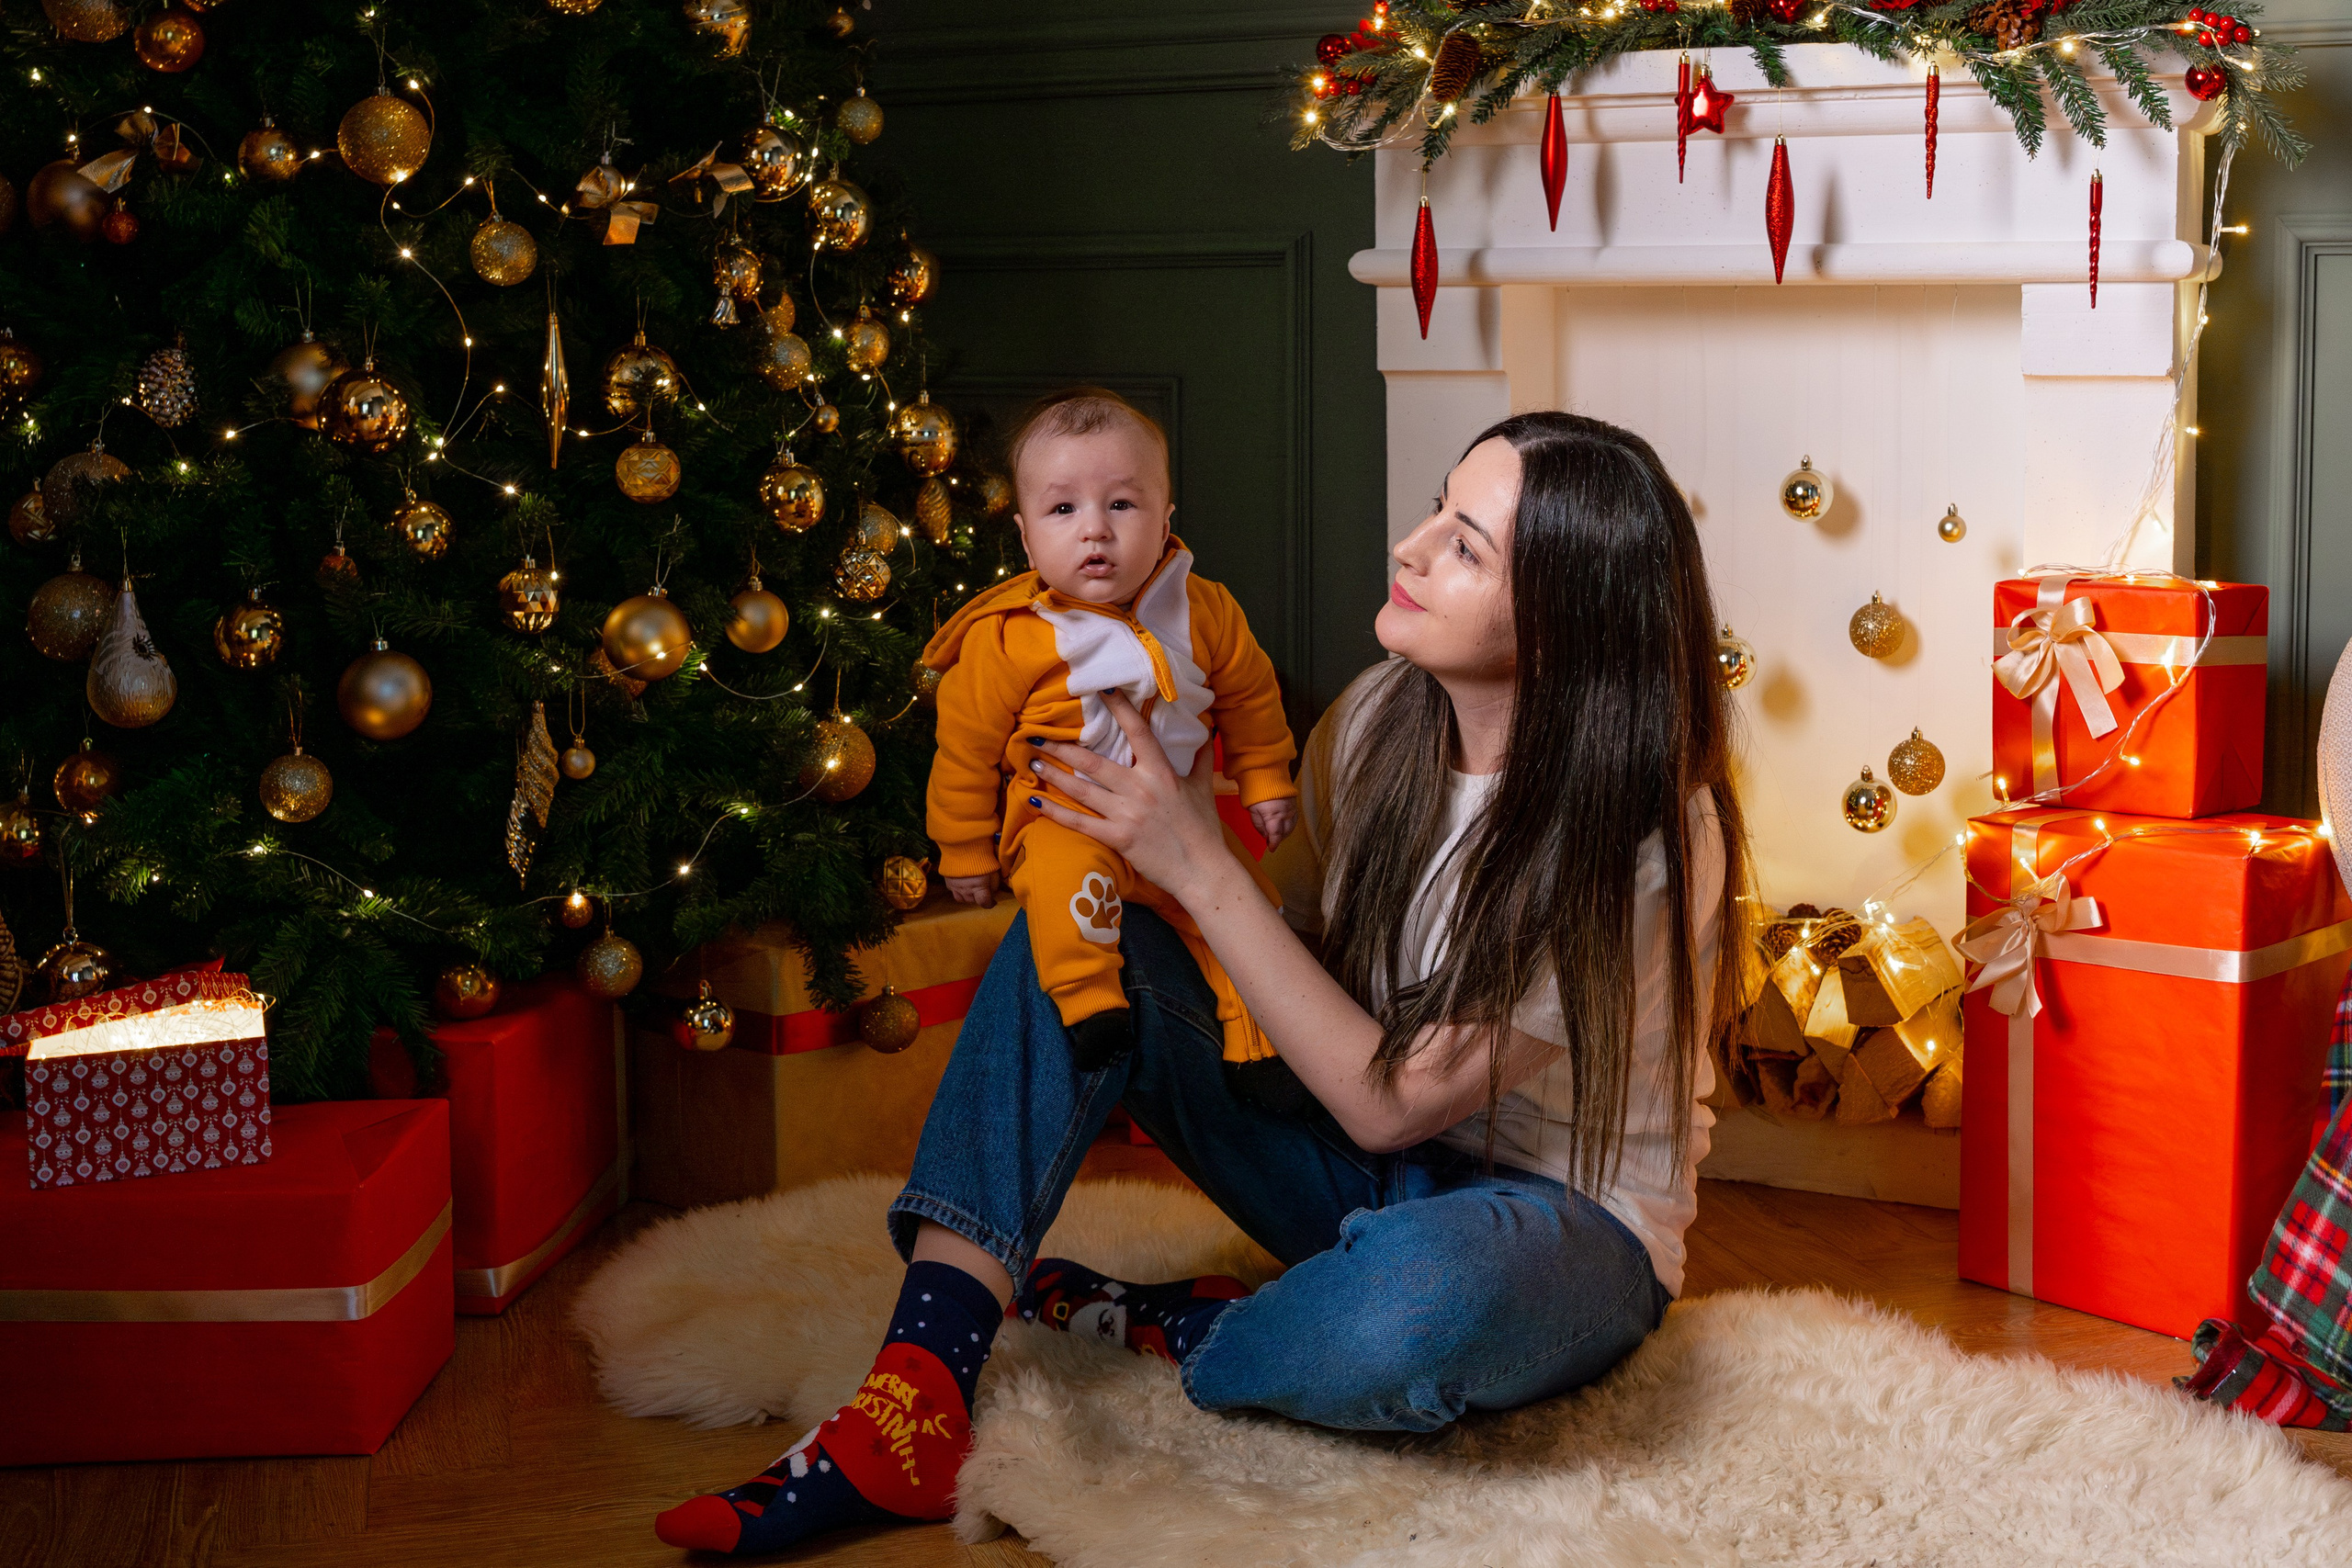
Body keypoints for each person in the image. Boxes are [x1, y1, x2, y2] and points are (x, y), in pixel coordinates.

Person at [653, 411, 1751, 1556]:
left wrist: (1194, 858)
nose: (1411, 549)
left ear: (1566, 619)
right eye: (1435, 508)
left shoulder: (1645, 834)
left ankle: (1187, 1329)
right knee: (1080, 923)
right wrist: (1121, 859)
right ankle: (914, 1393)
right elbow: (1282, 954)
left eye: (1465, 547)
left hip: (1552, 1219)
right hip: (1347, 1159)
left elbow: (1396, 1097)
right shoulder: (1380, 721)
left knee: (1424, 1305)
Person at [920, 387, 1303, 1094]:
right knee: (1068, 895)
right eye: (1063, 509)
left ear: (1166, 520)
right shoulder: (1009, 638)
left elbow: (1251, 696)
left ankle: (1259, 1043)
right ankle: (1091, 1005)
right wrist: (964, 848)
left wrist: (1267, 779)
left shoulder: (1206, 608)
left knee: (1249, 915)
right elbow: (965, 752)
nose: (1094, 530)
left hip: (1183, 824)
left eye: (1121, 505)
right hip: (1064, 817)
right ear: (1027, 535)